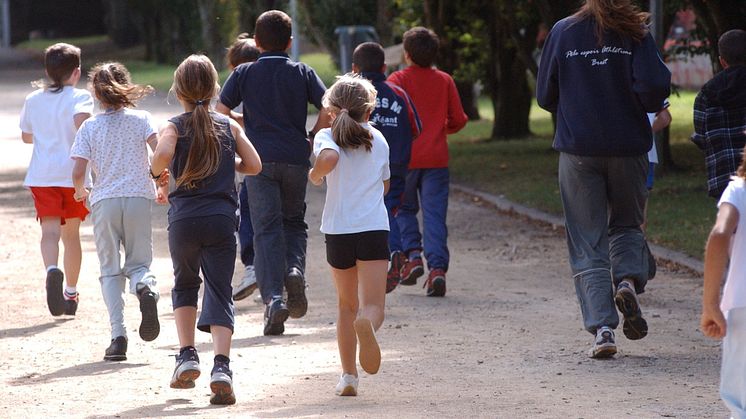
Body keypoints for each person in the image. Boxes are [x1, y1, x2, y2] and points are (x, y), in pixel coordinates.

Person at [536, 0, 670, 358]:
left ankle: (604, 329)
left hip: (578, 149)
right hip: (629, 146)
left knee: (586, 238)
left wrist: (577, 103)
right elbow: (655, 88)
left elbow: (545, 94)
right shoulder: (635, 31)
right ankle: (626, 280)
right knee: (627, 223)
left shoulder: (563, 31)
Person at [151, 54, 262, 405]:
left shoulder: (173, 125)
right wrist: (231, 165)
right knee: (220, 290)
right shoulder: (228, 126)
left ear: (178, 90)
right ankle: (222, 367)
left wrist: (158, 175)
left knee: (185, 285)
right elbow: (255, 166)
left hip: (183, 220)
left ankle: (186, 356)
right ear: (215, 89)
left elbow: (162, 153)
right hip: (221, 219)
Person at [217, 10, 330, 335]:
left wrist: (243, 129)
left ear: (256, 41)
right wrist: (312, 136)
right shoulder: (302, 71)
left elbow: (221, 113)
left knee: (266, 229)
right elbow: (328, 106)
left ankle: (274, 301)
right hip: (296, 157)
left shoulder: (244, 73)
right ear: (290, 42)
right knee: (293, 222)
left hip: (259, 161)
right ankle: (294, 269)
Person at [70, 62, 161, 361]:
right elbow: (159, 152)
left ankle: (118, 336)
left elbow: (78, 170)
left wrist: (81, 192)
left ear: (96, 94)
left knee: (110, 271)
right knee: (139, 263)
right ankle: (144, 287)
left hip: (105, 201)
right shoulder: (142, 119)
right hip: (138, 198)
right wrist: (162, 183)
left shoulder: (89, 126)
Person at [308, 74, 390, 396]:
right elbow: (385, 186)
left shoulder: (325, 136)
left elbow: (329, 159)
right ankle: (367, 324)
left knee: (345, 306)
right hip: (372, 228)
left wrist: (315, 175)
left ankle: (348, 377)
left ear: (331, 109)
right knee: (373, 306)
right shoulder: (379, 139)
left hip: (339, 231)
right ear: (368, 111)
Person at [387, 27, 468, 297]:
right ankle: (437, 270)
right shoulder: (444, 80)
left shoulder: (397, 79)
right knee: (435, 215)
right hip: (436, 159)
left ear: (406, 54)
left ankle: (412, 257)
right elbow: (459, 119)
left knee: (403, 209)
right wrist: (440, 130)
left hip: (405, 159)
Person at [19, 42, 93, 317]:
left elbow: (27, 136)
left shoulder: (33, 99)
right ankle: (70, 293)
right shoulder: (80, 97)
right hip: (72, 175)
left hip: (42, 175)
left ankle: (52, 270)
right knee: (71, 236)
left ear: (47, 72)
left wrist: (45, 131)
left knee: (49, 232)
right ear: (76, 72)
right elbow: (84, 125)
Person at [351, 42, 421, 294]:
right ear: (383, 67)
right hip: (397, 164)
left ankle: (388, 253)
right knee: (391, 207)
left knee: (368, 214)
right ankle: (394, 252)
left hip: (361, 166)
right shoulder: (399, 93)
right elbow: (416, 129)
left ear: (354, 68)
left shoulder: (353, 95)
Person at [700, 146, 746, 419]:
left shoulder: (739, 190)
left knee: (741, 403)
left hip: (742, 305)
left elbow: (719, 234)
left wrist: (710, 304)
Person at [224, 33, 262, 302]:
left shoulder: (235, 83)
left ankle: (252, 267)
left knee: (246, 214)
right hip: (273, 157)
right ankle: (278, 272)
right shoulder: (265, 81)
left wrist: (239, 120)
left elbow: (222, 113)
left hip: (249, 165)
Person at [691, 29, 746, 200]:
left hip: (723, 176)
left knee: (731, 225)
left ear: (722, 61)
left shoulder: (706, 94)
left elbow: (701, 136)